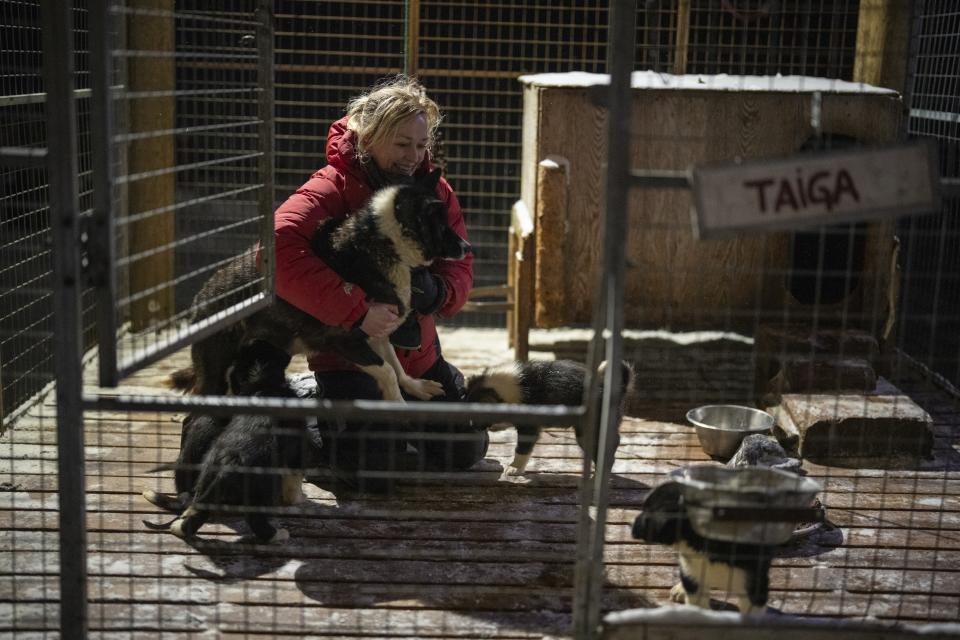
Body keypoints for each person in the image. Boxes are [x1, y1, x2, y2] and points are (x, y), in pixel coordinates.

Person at [271, 74, 488, 492]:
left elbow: (461, 261)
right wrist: (355, 309)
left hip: (417, 358)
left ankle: (425, 396)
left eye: (422, 144)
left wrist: (442, 291)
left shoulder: (433, 188)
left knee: (465, 450)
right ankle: (312, 406)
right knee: (373, 470)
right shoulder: (331, 186)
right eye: (402, 144)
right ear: (368, 138)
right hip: (351, 358)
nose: (414, 156)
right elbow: (276, 248)